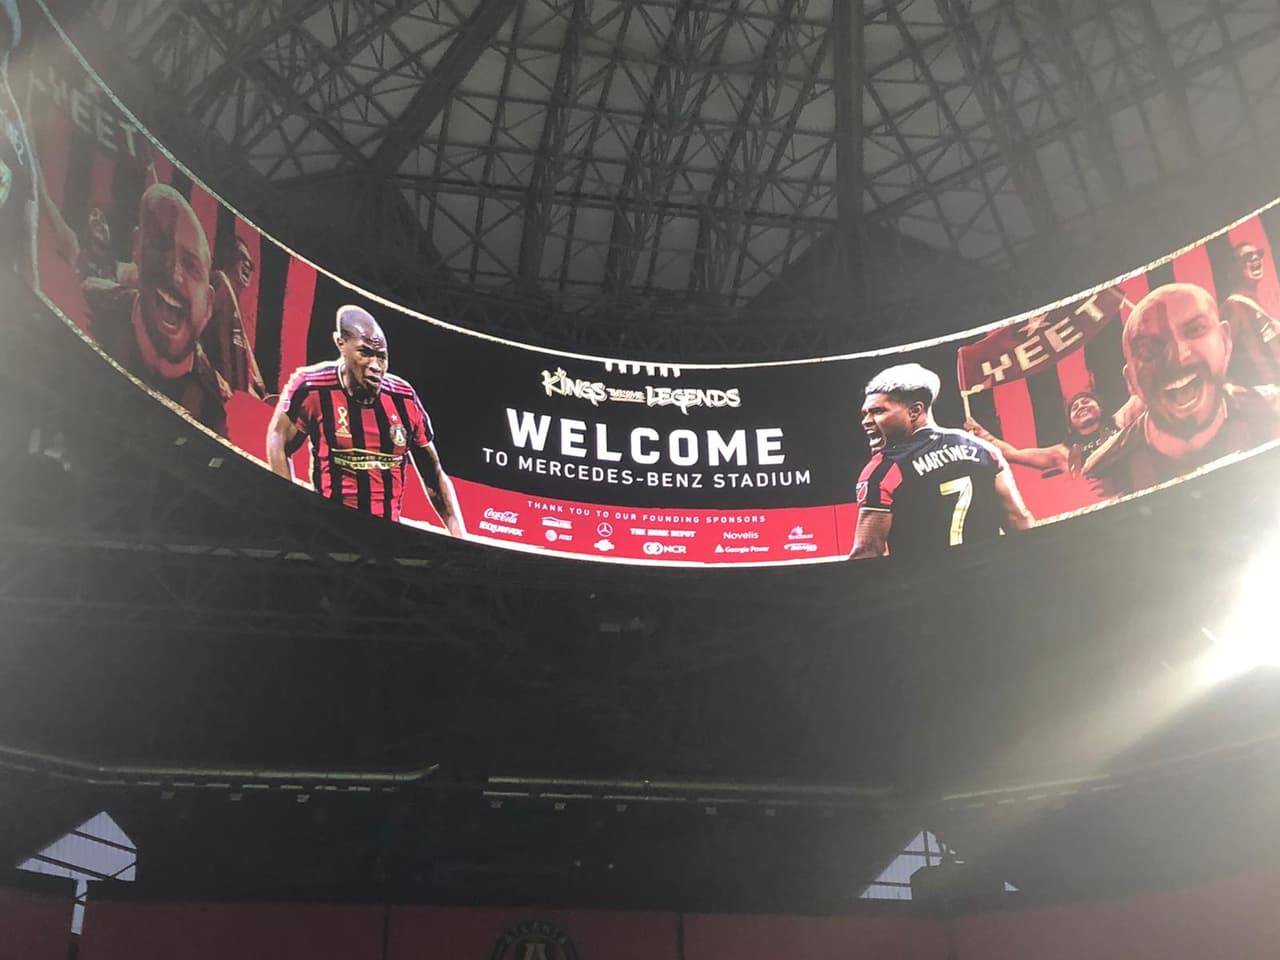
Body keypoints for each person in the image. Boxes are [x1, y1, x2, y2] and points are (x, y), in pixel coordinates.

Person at [266, 305, 465, 535]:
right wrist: (290, 510)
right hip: (329, 532)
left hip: (387, 535)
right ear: (341, 344)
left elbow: (434, 475)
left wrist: (459, 535)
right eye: (365, 352)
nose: (375, 366)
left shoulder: (403, 398)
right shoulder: (312, 387)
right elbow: (278, 437)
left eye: (382, 356)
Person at [1085, 282, 1280, 495]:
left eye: (1195, 330)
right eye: (1147, 349)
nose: (1177, 357)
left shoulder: (1273, 411)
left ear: (1226, 341)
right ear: (1130, 380)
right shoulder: (1103, 474)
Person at [82, 182, 228, 435]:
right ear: (136, 248)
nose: (174, 272)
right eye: (160, 245)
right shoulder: (90, 306)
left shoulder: (214, 402)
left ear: (208, 305)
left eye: (191, 265)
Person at [851, 362, 1033, 561]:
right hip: (987, 582)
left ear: (914, 411)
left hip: (926, 588)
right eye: (865, 413)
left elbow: (866, 554)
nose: (866, 421)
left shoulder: (883, 469)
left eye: (877, 411)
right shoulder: (984, 449)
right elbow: (1020, 522)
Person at [965, 390, 1120, 478]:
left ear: (1101, 408)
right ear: (1071, 424)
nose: (1080, 407)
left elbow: (1140, 394)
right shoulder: (1062, 452)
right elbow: (1013, 453)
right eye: (1075, 407)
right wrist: (983, 434)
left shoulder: (1121, 420)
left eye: (1086, 402)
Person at [202, 234, 266, 398]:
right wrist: (215, 378)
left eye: (251, 265)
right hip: (210, 397)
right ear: (227, 257)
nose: (248, 266)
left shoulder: (232, 305)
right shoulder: (218, 281)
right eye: (242, 258)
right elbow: (191, 335)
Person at [1221, 241, 1280, 387]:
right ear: (1232, 271)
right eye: (1247, 256)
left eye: (1258, 254)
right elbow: (1221, 362)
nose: (1256, 258)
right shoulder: (1233, 306)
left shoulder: (1254, 305)